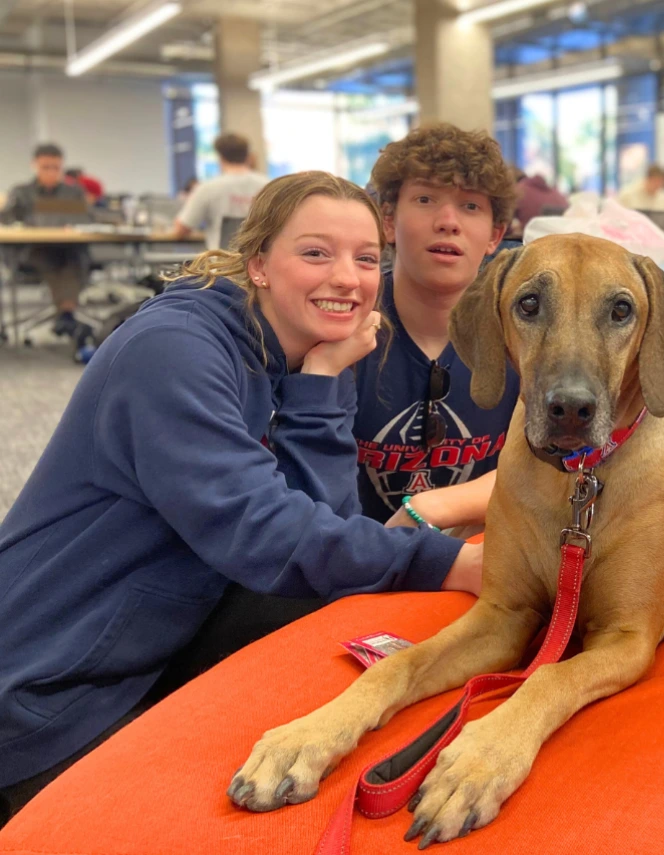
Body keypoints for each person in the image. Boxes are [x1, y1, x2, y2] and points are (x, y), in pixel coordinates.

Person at [0, 171, 482, 827]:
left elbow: (321, 542)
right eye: (315, 253)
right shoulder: (173, 350)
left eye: (366, 259)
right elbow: (267, 533)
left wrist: (322, 384)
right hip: (44, 691)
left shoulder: (311, 351)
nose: (347, 277)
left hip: (153, 649)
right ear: (258, 263)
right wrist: (451, 563)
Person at [354, 123, 520, 532]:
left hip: (483, 561)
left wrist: (434, 507)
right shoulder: (342, 323)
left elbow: (554, 464)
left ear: (494, 236)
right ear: (388, 223)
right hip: (355, 567)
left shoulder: (525, 334)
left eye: (470, 207)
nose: (448, 222)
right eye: (425, 199)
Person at [0, 143, 91, 338]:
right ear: (35, 165)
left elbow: (86, 219)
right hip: (32, 251)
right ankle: (66, 313)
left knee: (71, 258)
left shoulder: (73, 193)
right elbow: (7, 220)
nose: (50, 172)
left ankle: (65, 313)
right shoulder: (22, 193)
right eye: (45, 167)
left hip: (69, 248)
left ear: (62, 167)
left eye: (55, 167)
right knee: (51, 258)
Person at [172, 132, 269, 249]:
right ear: (247, 156)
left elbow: (181, 229)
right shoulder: (267, 185)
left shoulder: (208, 188)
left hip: (221, 263)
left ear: (221, 157)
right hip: (257, 263)